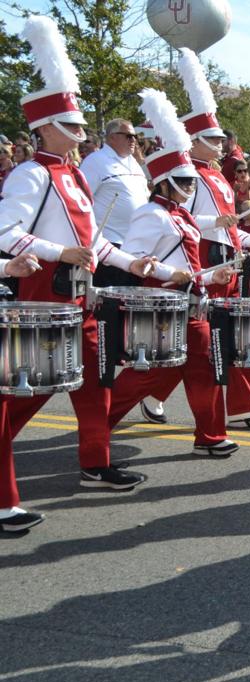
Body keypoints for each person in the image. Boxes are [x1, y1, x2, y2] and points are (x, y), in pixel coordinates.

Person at [0, 16, 157, 532]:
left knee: (96, 385)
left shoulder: (70, 173)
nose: (79, 134)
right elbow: (6, 234)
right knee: (16, 402)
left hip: (79, 302)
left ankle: (95, 464)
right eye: (70, 126)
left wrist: (126, 261)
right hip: (43, 302)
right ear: (44, 127)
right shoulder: (31, 172)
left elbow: (91, 244)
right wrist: (57, 252)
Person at [141, 47, 250, 429]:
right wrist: (216, 222)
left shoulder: (219, 175)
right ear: (195, 139)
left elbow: (231, 228)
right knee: (203, 342)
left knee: (230, 336)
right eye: (213, 139)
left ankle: (242, 406)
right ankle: (152, 393)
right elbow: (183, 220)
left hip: (227, 259)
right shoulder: (189, 176)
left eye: (221, 139)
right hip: (205, 260)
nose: (221, 144)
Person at [107, 89, 239, 458]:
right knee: (148, 374)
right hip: (161, 305)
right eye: (184, 181)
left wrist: (210, 278)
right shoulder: (151, 214)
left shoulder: (181, 214)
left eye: (192, 180)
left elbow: (194, 258)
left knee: (202, 365)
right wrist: (173, 274)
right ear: (164, 181)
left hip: (189, 303)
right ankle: (98, 423)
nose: (191, 186)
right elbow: (135, 258)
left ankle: (210, 436)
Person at [79, 118, 150, 288]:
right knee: (110, 303)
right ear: (111, 137)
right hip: (109, 244)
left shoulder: (134, 163)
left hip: (136, 244)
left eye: (135, 136)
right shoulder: (95, 161)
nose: (133, 140)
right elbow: (81, 200)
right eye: (128, 136)